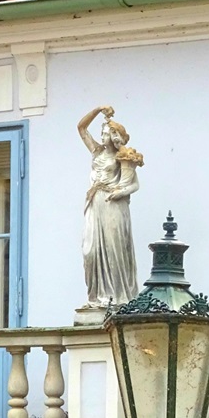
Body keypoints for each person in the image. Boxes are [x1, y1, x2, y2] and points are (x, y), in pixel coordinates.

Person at [79, 104, 141, 307]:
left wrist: (120, 192)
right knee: (90, 251)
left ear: (115, 136)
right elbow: (81, 128)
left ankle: (118, 297)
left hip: (113, 204)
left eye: (107, 133)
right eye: (102, 133)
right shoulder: (96, 151)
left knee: (114, 249)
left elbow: (134, 184)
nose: (103, 136)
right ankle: (96, 296)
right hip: (94, 202)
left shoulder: (123, 156)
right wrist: (98, 110)